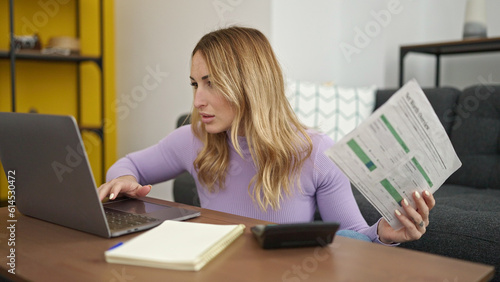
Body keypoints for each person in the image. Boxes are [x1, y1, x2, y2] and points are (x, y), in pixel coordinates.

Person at [98, 26, 435, 245]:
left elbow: (355, 236)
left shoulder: (314, 153)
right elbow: (127, 167)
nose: (198, 99)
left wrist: (386, 234)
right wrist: (123, 179)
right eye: (195, 83)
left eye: (211, 82)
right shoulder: (193, 139)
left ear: (249, 82)